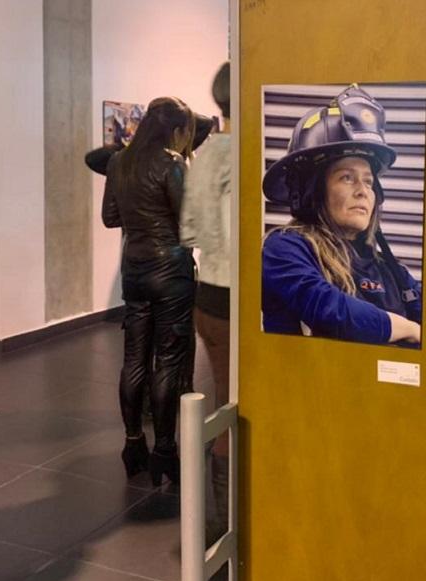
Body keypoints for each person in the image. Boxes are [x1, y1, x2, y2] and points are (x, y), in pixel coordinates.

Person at [260, 85, 422, 347]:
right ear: (314, 190)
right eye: (347, 178)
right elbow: (331, 311)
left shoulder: (387, 268)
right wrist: (409, 329)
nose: (362, 192)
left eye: (369, 182)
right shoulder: (284, 248)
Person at [101, 96, 196, 487]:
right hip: (171, 271)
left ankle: (132, 443)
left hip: (135, 271)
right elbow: (187, 225)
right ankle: (165, 451)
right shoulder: (171, 165)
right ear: (173, 130)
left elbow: (110, 218)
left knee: (134, 359)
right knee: (169, 362)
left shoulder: (118, 162)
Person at [180, 63, 232, 555]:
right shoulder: (249, 155)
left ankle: (225, 517)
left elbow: (190, 232)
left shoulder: (205, 152)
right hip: (241, 299)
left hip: (209, 296)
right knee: (239, 403)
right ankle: (230, 521)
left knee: (223, 398)